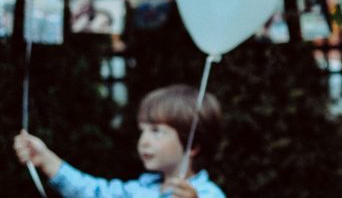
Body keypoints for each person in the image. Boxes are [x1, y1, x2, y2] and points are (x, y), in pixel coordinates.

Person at [14, 84, 226, 198]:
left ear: (194, 146)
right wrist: (46, 159)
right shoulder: (138, 190)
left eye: (156, 131)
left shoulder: (208, 195)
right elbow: (93, 193)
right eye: (142, 131)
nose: (144, 141)